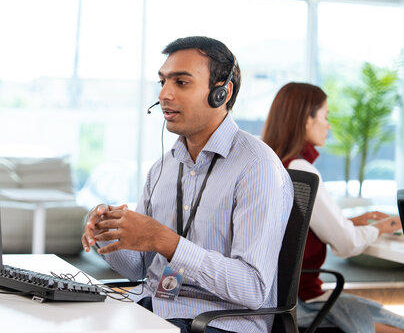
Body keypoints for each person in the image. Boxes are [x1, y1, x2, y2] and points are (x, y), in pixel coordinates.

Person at [82, 36, 294, 333]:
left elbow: (253, 288)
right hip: (157, 309)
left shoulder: (257, 166)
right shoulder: (163, 168)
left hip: (220, 323)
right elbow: (139, 268)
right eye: (163, 82)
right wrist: (107, 232)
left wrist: (166, 242)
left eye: (181, 83)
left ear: (221, 92)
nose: (165, 94)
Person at [262, 82, 404, 333]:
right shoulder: (302, 170)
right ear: (307, 119)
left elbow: (294, 230)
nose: (328, 125)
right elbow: (347, 244)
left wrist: (350, 223)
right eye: (325, 116)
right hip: (303, 303)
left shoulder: (270, 165)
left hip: (272, 301)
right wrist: (387, 225)